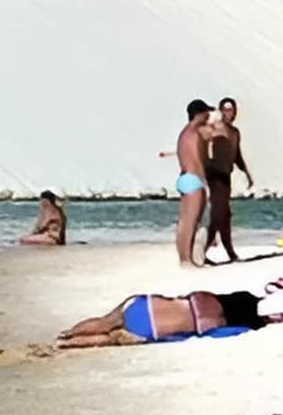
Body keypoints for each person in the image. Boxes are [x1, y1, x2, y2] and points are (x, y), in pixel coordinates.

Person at [57, 285, 283, 348]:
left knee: (105, 321)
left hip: (145, 304)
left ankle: (67, 334)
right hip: (151, 330)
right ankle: (69, 345)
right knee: (109, 339)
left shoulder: (220, 298)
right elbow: (215, 335)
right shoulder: (225, 326)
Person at [206, 97, 254, 263]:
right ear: (221, 111)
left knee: (218, 216)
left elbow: (237, 155)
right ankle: (230, 252)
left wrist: (246, 173)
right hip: (214, 175)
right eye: (226, 110)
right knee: (223, 214)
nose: (230, 113)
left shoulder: (234, 132)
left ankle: (202, 250)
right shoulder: (213, 129)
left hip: (226, 175)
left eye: (232, 110)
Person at [174, 99, 214, 266]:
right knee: (192, 222)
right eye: (206, 112)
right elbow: (197, 161)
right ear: (199, 113)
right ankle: (187, 259)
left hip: (184, 177)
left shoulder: (184, 133)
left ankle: (183, 257)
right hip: (194, 178)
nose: (208, 116)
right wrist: (206, 183)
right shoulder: (195, 134)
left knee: (184, 222)